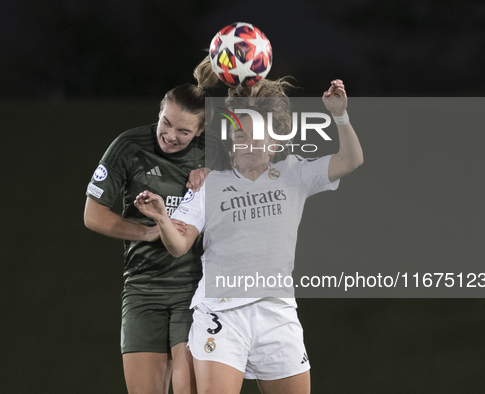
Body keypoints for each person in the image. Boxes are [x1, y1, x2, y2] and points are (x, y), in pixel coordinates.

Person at [134, 78, 363, 394]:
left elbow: (351, 160)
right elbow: (179, 246)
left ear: (274, 143)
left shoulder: (294, 174)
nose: (247, 141)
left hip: (277, 314)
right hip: (222, 313)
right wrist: (162, 218)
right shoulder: (208, 187)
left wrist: (339, 116)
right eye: (240, 134)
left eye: (256, 135)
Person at [83, 62, 230, 394]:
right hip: (142, 287)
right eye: (166, 123)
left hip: (194, 289)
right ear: (160, 111)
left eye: (184, 132)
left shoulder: (215, 153)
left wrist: (215, 175)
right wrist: (147, 231)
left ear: (201, 131)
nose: (170, 136)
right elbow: (93, 215)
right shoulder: (128, 147)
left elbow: (259, 175)